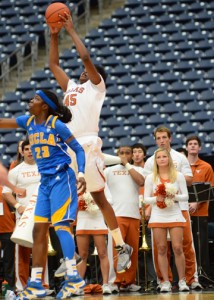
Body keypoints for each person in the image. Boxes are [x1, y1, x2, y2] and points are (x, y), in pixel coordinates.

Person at [48, 12, 132, 273]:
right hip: (69, 146)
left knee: (98, 196)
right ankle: (69, 255)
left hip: (88, 146)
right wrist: (53, 36)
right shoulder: (72, 87)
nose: (83, 71)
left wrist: (71, 31)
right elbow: (53, 65)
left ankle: (121, 246)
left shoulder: (97, 88)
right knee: (66, 199)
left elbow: (85, 57)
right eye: (83, 72)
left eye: (88, 71)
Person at [0, 89, 86, 299]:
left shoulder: (55, 124)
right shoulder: (28, 121)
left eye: (36, 99)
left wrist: (81, 173)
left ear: (45, 106)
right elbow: (4, 122)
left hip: (62, 178)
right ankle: (36, 283)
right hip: (45, 182)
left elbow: (79, 149)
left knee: (61, 226)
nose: (31, 100)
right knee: (38, 231)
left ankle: (74, 279)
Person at [144, 126, 202, 290]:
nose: (161, 140)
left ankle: (190, 279)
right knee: (160, 248)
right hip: (158, 211)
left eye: (164, 137)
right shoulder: (150, 161)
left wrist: (172, 191)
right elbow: (146, 186)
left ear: (170, 138)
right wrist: (155, 201)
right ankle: (163, 280)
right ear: (155, 140)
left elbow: (189, 180)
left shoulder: (180, 157)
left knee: (184, 246)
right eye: (158, 138)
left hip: (179, 208)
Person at [2, 139, 48, 293]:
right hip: (23, 216)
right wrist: (17, 206)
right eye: (26, 149)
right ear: (22, 151)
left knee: (41, 250)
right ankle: (21, 286)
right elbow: (6, 192)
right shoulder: (15, 171)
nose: (29, 151)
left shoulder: (45, 167)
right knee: (22, 251)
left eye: (32, 148)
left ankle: (42, 284)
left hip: (42, 214)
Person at [144, 148, 189, 292]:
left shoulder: (179, 176)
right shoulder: (150, 177)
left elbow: (186, 196)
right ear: (155, 160)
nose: (162, 159)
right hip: (158, 215)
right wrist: (157, 198)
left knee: (177, 247)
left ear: (169, 159)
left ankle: (182, 281)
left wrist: (173, 196)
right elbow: (146, 199)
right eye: (159, 157)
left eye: (164, 156)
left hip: (175, 213)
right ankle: (165, 282)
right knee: (162, 248)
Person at [104, 146, 145, 292]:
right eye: (121, 153)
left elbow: (141, 181)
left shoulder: (138, 170)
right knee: (117, 251)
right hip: (115, 215)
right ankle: (114, 282)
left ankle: (128, 282)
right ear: (117, 155)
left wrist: (127, 165)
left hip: (134, 214)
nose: (124, 155)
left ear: (132, 155)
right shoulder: (108, 170)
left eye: (128, 153)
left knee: (131, 250)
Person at [186, 135, 214, 279]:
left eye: (195, 144)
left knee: (201, 246)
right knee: (185, 247)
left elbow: (210, 190)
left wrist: (197, 203)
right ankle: (188, 276)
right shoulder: (181, 167)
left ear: (200, 147)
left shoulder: (206, 167)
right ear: (186, 147)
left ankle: (203, 276)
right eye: (190, 144)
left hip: (201, 213)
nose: (192, 146)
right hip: (183, 214)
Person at [75, 191, 111, 295]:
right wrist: (79, 201)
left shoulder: (99, 181)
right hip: (82, 220)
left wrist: (95, 201)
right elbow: (70, 200)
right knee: (82, 255)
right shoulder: (77, 183)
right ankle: (79, 285)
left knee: (102, 253)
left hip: (98, 219)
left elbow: (110, 200)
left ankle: (105, 284)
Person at [131, 143, 157, 290]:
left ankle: (152, 280)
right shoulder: (127, 171)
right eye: (134, 152)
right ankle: (137, 280)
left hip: (148, 215)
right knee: (134, 250)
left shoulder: (150, 173)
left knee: (150, 250)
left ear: (144, 154)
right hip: (133, 214)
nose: (136, 155)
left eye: (139, 151)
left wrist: (149, 210)